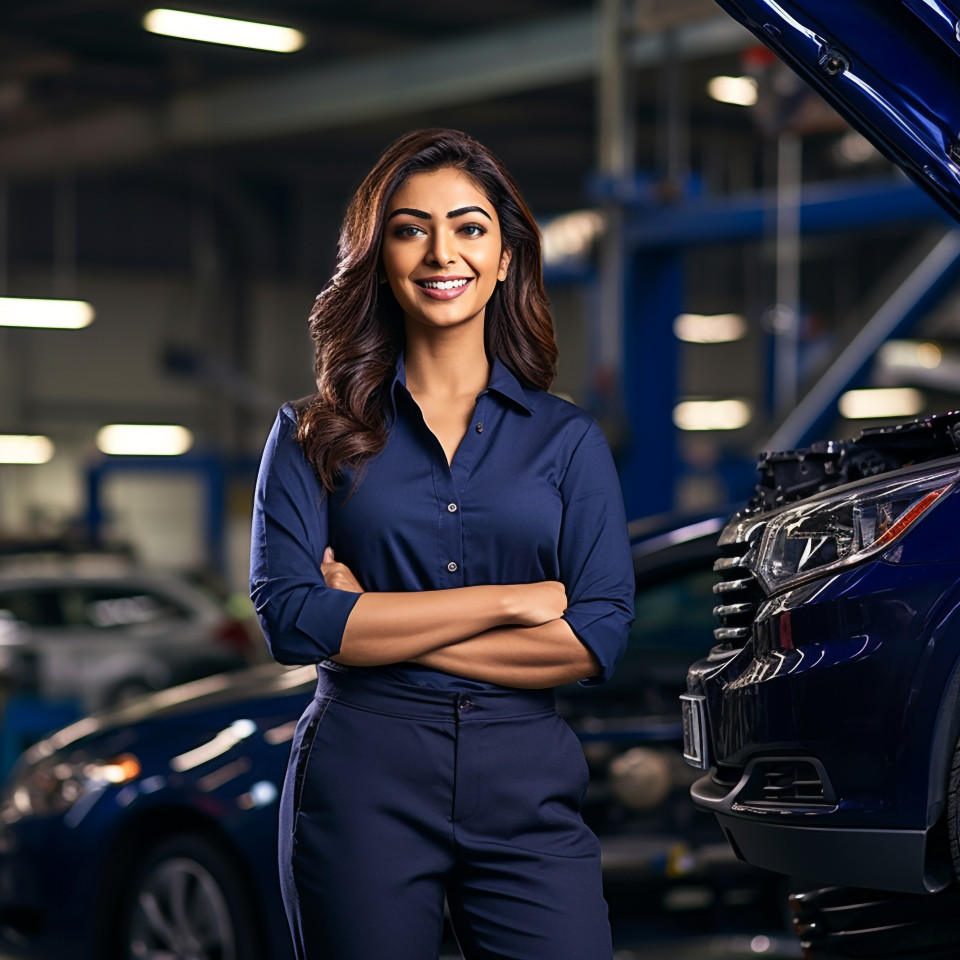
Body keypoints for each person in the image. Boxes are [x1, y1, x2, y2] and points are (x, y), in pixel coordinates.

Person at [250, 128, 634, 960]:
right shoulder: (312, 434)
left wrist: (371, 621)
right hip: (362, 784)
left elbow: (595, 635)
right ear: (380, 257)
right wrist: (508, 603)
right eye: (409, 227)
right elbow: (293, 621)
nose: (439, 252)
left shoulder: (567, 441)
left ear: (504, 259)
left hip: (526, 784)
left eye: (468, 227)